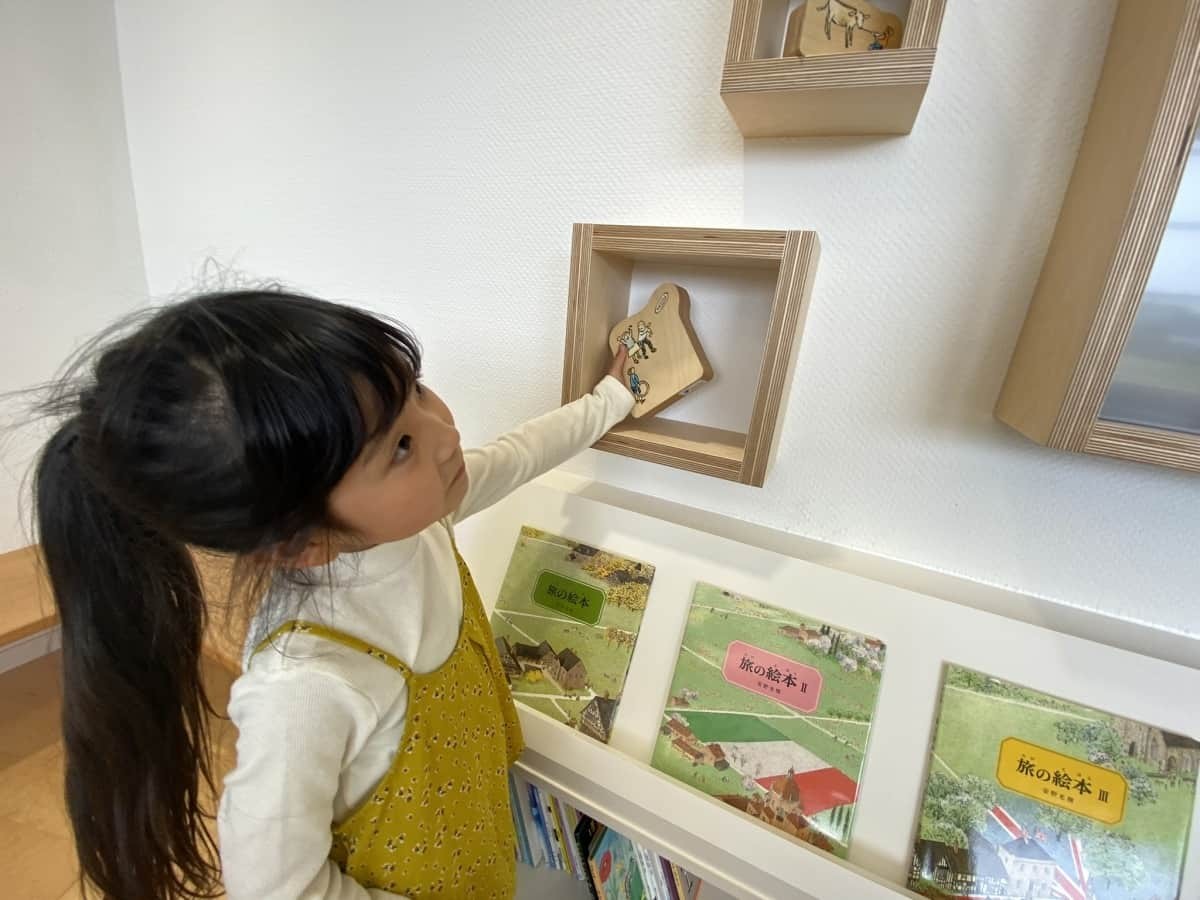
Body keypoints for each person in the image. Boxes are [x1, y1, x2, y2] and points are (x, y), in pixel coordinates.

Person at [32, 289, 633, 900]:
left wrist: (612, 397)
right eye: (399, 445)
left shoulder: (420, 517)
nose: (444, 434)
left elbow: (517, 455)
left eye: (416, 389)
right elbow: (276, 889)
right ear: (302, 542)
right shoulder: (305, 685)